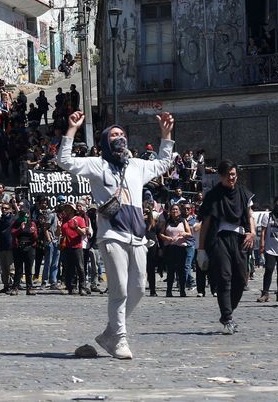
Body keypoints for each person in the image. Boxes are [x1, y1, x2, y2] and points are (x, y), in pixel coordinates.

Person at [57, 110, 175, 360]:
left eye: (122, 134)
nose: (119, 138)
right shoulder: (98, 164)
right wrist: (71, 130)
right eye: (113, 135)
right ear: (104, 142)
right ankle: (119, 338)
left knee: (139, 288)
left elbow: (164, 163)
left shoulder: (137, 166)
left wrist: (166, 134)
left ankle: (110, 333)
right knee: (119, 289)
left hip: (138, 236)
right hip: (112, 234)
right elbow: (65, 161)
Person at [198, 160, 255, 334]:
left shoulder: (243, 193)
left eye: (234, 174)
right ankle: (227, 317)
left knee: (241, 279)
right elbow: (206, 223)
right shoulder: (213, 195)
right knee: (224, 276)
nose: (232, 177)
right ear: (221, 176)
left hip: (239, 238)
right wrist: (201, 249)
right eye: (229, 174)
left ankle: (228, 310)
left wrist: (251, 232)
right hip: (219, 238)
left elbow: (249, 216)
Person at [258, 196, 278, 303]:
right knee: (269, 269)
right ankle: (265, 293)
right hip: (270, 248)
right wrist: (262, 244)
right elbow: (263, 231)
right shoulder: (268, 216)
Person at [159, 204, 192, 297]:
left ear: (179, 211)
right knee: (170, 271)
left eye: (176, 209)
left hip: (181, 248)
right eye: (173, 209)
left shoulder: (183, 221)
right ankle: (168, 291)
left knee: (181, 270)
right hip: (170, 249)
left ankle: (182, 290)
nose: (175, 211)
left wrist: (184, 234)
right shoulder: (167, 222)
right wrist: (166, 238)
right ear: (170, 211)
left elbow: (190, 233)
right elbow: (160, 234)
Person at [59, 202, 88, 295]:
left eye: (68, 208)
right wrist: (58, 228)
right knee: (69, 267)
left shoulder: (79, 219)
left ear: (72, 210)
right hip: (66, 246)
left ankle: (82, 287)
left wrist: (77, 228)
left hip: (77, 246)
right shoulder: (64, 220)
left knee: (80, 267)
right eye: (65, 208)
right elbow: (59, 233)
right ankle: (72, 286)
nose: (66, 209)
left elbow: (83, 232)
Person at [11, 208, 38, 296]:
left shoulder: (32, 223)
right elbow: (13, 233)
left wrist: (33, 232)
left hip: (29, 247)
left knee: (28, 269)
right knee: (18, 269)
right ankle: (15, 287)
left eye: (26, 214)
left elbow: (35, 237)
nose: (25, 216)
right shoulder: (16, 223)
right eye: (23, 214)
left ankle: (29, 288)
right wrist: (20, 229)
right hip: (19, 247)